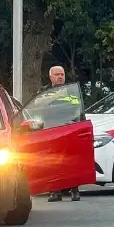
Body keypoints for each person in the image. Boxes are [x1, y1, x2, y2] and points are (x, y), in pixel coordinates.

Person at [43, 66, 81, 203]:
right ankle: (55, 192)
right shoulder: (44, 92)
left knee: (70, 162)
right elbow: (38, 109)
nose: (60, 77)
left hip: (69, 130)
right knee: (53, 163)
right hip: (52, 131)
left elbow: (78, 110)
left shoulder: (72, 92)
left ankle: (75, 190)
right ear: (51, 77)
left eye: (62, 74)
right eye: (57, 74)